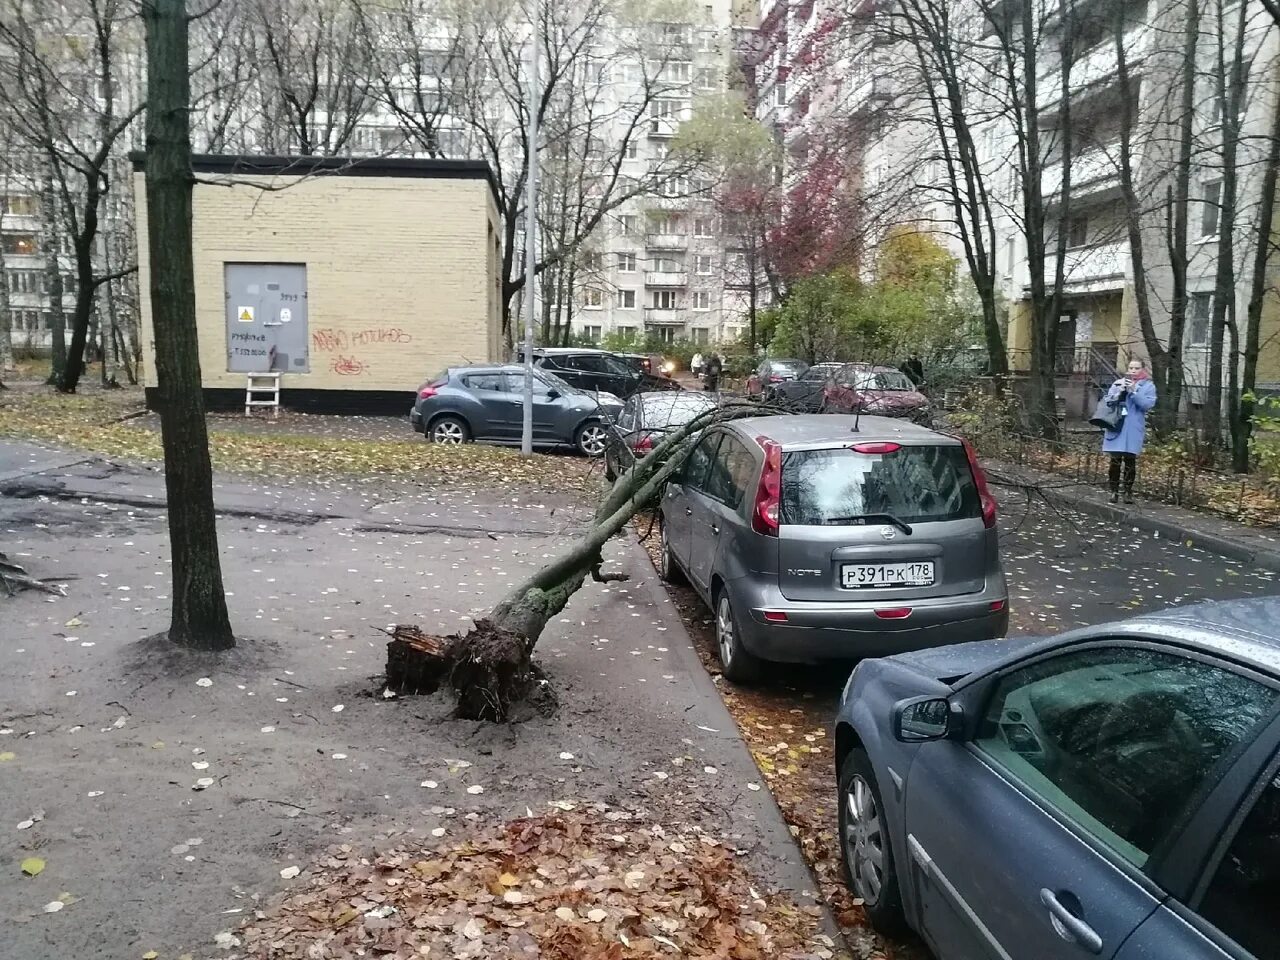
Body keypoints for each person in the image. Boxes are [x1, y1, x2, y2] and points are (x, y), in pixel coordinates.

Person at [1101, 357, 1157, 504]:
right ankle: (1113, 491)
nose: (1133, 371)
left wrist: (1133, 392)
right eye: (1131, 368)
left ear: (1142, 369)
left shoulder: (1148, 386)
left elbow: (1147, 404)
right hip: (1117, 426)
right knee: (1115, 461)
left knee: (1130, 462)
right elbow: (1108, 401)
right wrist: (1119, 392)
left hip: (1133, 428)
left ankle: (1128, 492)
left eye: (1137, 368)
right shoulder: (1118, 383)